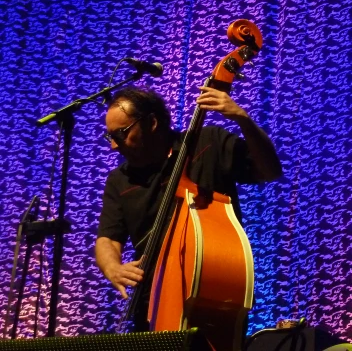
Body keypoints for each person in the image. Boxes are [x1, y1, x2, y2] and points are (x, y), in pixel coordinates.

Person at [95, 85, 282, 330]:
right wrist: (112, 267)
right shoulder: (120, 179)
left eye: (121, 134)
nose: (114, 147)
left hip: (216, 292)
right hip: (152, 300)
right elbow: (107, 238)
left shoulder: (208, 143)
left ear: (151, 123)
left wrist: (242, 119)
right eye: (111, 137)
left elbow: (270, 171)